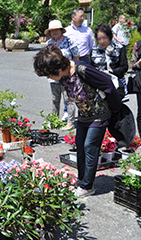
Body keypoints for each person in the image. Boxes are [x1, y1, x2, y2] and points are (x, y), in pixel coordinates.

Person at [32, 45, 121, 198]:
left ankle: (88, 186)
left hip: (99, 115)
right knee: (79, 144)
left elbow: (108, 85)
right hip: (84, 115)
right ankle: (82, 178)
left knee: (90, 146)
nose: (49, 78)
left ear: (58, 69)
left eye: (49, 75)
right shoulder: (63, 76)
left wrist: (115, 109)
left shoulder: (82, 70)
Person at [45, 19, 77, 128]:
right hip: (53, 76)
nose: (54, 32)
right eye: (52, 30)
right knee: (55, 99)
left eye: (56, 30)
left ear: (61, 30)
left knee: (68, 99)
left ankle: (71, 122)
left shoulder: (69, 41)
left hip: (67, 76)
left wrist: (73, 71)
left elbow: (76, 57)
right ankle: (54, 121)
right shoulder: (48, 44)